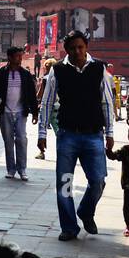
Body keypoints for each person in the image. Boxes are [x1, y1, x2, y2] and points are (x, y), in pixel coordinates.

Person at [37, 31, 115, 241]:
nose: (77, 51)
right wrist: (42, 132)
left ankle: (86, 211)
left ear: (86, 47)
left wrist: (110, 132)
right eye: (72, 48)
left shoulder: (99, 68)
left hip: (93, 134)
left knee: (98, 181)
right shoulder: (58, 70)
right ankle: (69, 227)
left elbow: (107, 102)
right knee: (65, 183)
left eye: (80, 47)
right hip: (67, 135)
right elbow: (46, 101)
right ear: (66, 50)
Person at [0, 46, 38, 181]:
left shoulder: (26, 74)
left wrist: (34, 112)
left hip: (21, 112)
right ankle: (11, 169)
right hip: (5, 112)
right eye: (18, 56)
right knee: (8, 141)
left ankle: (22, 169)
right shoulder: (0, 74)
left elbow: (31, 94)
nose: (20, 59)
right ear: (9, 58)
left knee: (21, 139)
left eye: (21, 56)